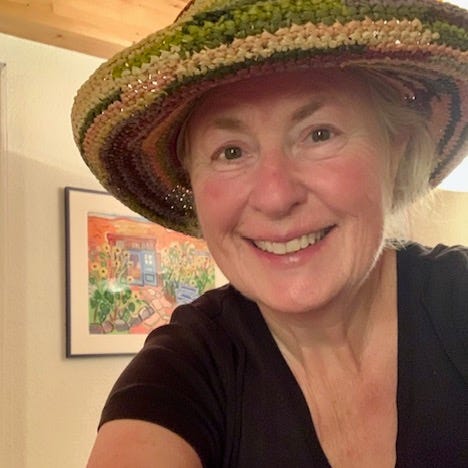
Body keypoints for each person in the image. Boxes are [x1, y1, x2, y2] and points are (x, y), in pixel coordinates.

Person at [72, 1, 468, 466]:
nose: (276, 196)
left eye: (319, 134)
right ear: (192, 180)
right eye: (231, 151)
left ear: (395, 151)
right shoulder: (184, 369)